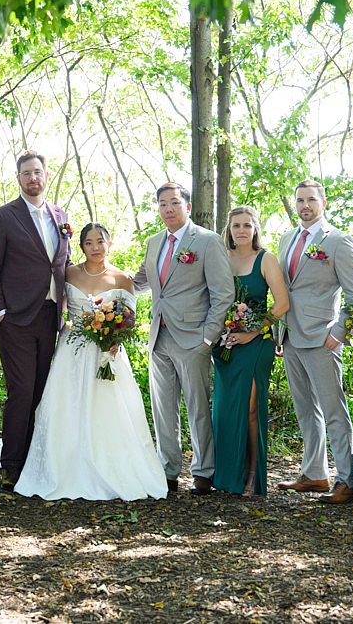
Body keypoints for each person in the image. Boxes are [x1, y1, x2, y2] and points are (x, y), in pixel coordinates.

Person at [15, 223, 168, 500]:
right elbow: (56, 303)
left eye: (100, 241)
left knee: (108, 408)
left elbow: (130, 317)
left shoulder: (122, 279)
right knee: (67, 406)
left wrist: (115, 337)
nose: (95, 247)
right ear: (81, 246)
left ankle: (109, 464)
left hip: (107, 351)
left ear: (110, 244)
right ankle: (63, 465)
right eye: (89, 243)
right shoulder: (69, 273)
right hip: (72, 351)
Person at [0, 151, 72, 490]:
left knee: (42, 390)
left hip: (50, 315)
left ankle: (35, 459)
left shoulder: (60, 216)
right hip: (15, 317)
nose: (33, 178)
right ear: (18, 179)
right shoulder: (2, 217)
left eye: (37, 172)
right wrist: (0, 311)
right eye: (26, 173)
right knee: (21, 389)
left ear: (46, 175)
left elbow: (63, 263)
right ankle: (12, 465)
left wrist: (70, 305)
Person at [133, 183, 234, 495]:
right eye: (162, 203)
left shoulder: (207, 241)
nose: (168, 209)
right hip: (159, 336)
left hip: (193, 338)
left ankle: (204, 472)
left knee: (197, 407)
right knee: (163, 410)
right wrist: (98, 276)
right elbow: (139, 282)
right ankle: (168, 471)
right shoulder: (154, 242)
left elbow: (223, 293)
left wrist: (208, 337)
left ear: (187, 206)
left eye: (174, 202)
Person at [275, 180, 353, 504]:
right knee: (305, 410)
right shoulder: (287, 239)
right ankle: (314, 472)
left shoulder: (338, 241)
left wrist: (338, 331)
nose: (305, 205)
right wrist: (278, 331)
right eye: (300, 200)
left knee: (333, 411)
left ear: (323, 202)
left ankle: (346, 480)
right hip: (290, 336)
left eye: (311, 200)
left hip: (322, 337)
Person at [212, 207, 290, 496]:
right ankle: (227, 476)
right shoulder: (221, 258)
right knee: (225, 410)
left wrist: (253, 331)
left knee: (250, 409)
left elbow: (282, 304)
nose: (241, 230)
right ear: (229, 230)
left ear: (255, 228)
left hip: (256, 343)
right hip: (225, 344)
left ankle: (252, 476)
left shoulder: (265, 259)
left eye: (247, 225)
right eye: (236, 225)